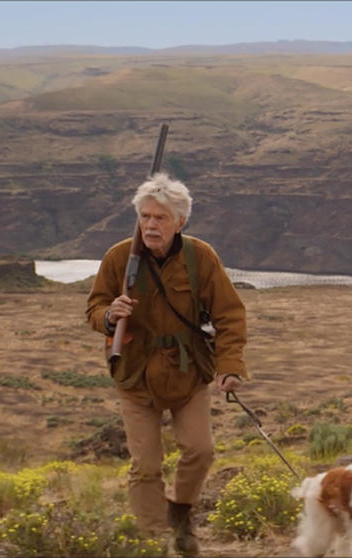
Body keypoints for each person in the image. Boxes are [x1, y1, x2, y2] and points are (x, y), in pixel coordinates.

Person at [86, 172, 247, 555]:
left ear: (180, 222)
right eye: (145, 217)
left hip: (188, 373)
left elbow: (230, 315)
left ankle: (181, 513)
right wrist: (110, 316)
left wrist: (230, 366)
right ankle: (153, 540)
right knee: (146, 466)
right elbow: (93, 308)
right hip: (135, 376)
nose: (150, 225)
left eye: (160, 218)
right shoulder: (118, 257)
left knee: (201, 449)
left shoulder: (200, 257)